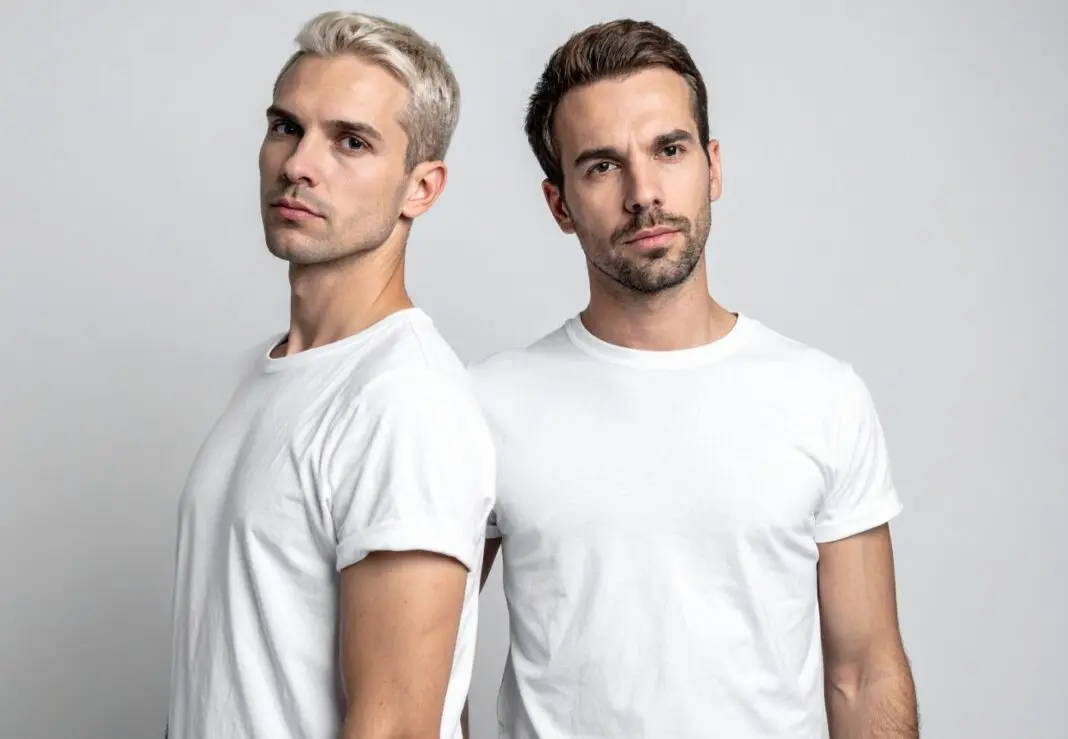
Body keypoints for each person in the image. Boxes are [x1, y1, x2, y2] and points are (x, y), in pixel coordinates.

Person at [466, 19, 918, 739]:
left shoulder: (822, 397)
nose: (643, 192)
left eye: (668, 150)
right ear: (559, 204)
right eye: (602, 166)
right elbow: (420, 670)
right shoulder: (485, 407)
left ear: (713, 167)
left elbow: (865, 672)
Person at [166, 11, 495, 739]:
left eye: (351, 141)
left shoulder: (404, 401)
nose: (297, 164)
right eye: (286, 127)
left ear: (421, 188)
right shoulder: (271, 373)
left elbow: (396, 726)